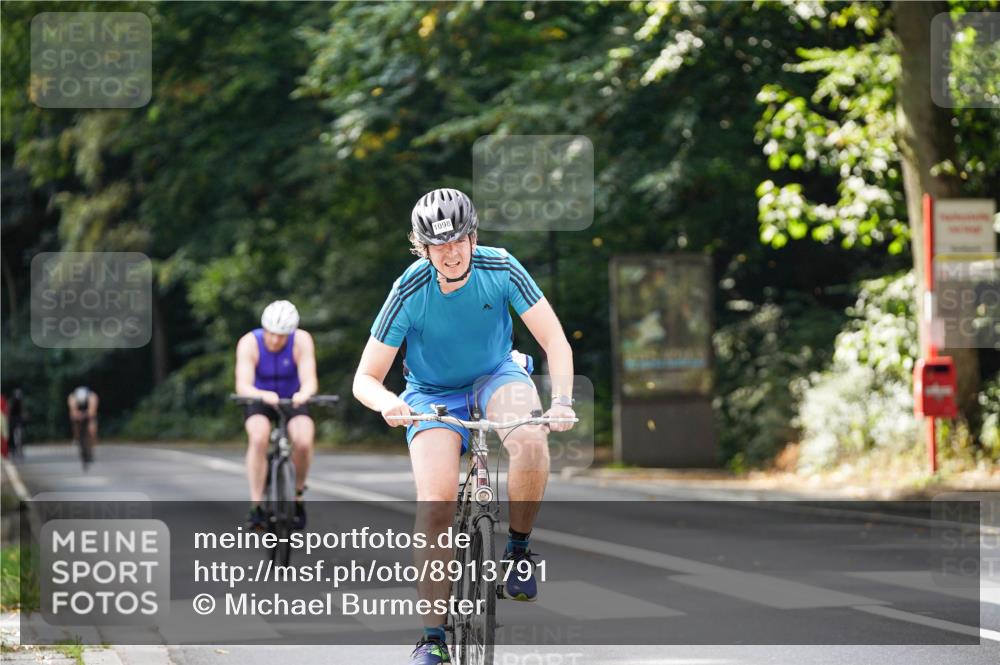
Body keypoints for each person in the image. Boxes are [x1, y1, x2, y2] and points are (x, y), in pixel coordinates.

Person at [353, 188, 576, 665]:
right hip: (431, 395)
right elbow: (365, 378)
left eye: (458, 240)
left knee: (532, 441)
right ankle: (432, 638)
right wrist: (388, 402)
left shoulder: (502, 268)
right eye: (438, 245)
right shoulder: (410, 290)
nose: (451, 253)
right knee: (435, 505)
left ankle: (518, 551)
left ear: (473, 237)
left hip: (497, 374)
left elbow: (555, 340)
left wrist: (560, 401)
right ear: (423, 248)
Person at [235, 300, 318, 530]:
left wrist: (304, 393)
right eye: (271, 334)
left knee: (303, 441)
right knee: (259, 437)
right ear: (264, 329)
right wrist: (261, 394)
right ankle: (257, 506)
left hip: (293, 398)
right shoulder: (249, 342)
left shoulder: (301, 340)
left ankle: (298, 496)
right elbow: (243, 385)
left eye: (282, 335)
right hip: (259, 398)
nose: (275, 340)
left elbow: (310, 379)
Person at [67, 386, 99, 461]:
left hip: (89, 412)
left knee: (92, 428)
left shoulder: (92, 396)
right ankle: (76, 437)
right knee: (75, 423)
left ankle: (92, 444)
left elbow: (92, 412)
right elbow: (72, 412)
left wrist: (85, 415)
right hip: (78, 413)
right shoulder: (72, 397)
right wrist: (77, 416)